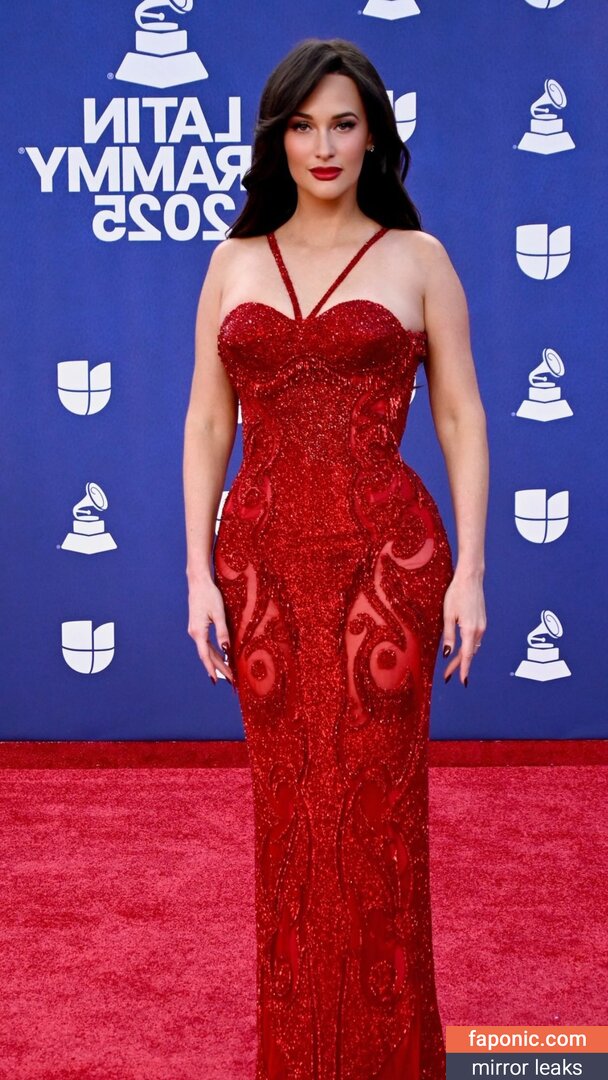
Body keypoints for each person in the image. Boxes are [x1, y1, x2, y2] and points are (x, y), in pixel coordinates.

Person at [183, 36, 488, 1080]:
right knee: (289, 820)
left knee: (375, 816)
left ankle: (391, 1058)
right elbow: (206, 424)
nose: (323, 146)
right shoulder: (232, 263)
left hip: (385, 566)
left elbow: (459, 415)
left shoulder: (418, 259)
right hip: (260, 567)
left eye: (344, 124)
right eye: (303, 125)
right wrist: (196, 572)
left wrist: (471, 571)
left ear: (373, 138)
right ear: (277, 138)